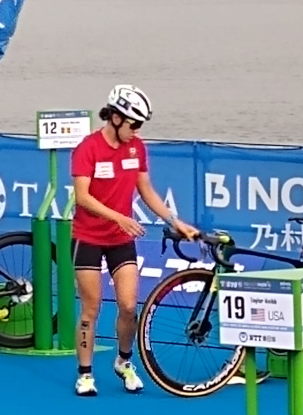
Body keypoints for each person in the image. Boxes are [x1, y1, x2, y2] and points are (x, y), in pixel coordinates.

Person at [70, 84, 199, 396]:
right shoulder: (87, 148)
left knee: (128, 306)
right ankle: (85, 374)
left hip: (120, 239)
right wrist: (119, 217)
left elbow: (147, 190)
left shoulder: (136, 148)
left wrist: (175, 221)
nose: (137, 131)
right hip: (88, 237)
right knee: (91, 310)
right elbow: (83, 197)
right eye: (134, 124)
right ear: (115, 118)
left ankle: (124, 362)